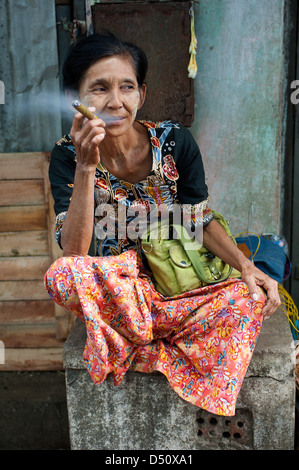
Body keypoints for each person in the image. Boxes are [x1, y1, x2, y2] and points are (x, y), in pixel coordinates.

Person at [44, 34, 280, 417]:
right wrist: (87, 167)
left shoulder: (174, 142)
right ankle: (165, 342)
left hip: (179, 287)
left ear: (142, 94)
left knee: (249, 297)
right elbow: (74, 252)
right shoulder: (67, 156)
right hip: (122, 294)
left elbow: (198, 220)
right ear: (77, 98)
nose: (115, 101)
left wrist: (247, 267)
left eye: (127, 87)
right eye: (99, 88)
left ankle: (138, 344)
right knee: (62, 276)